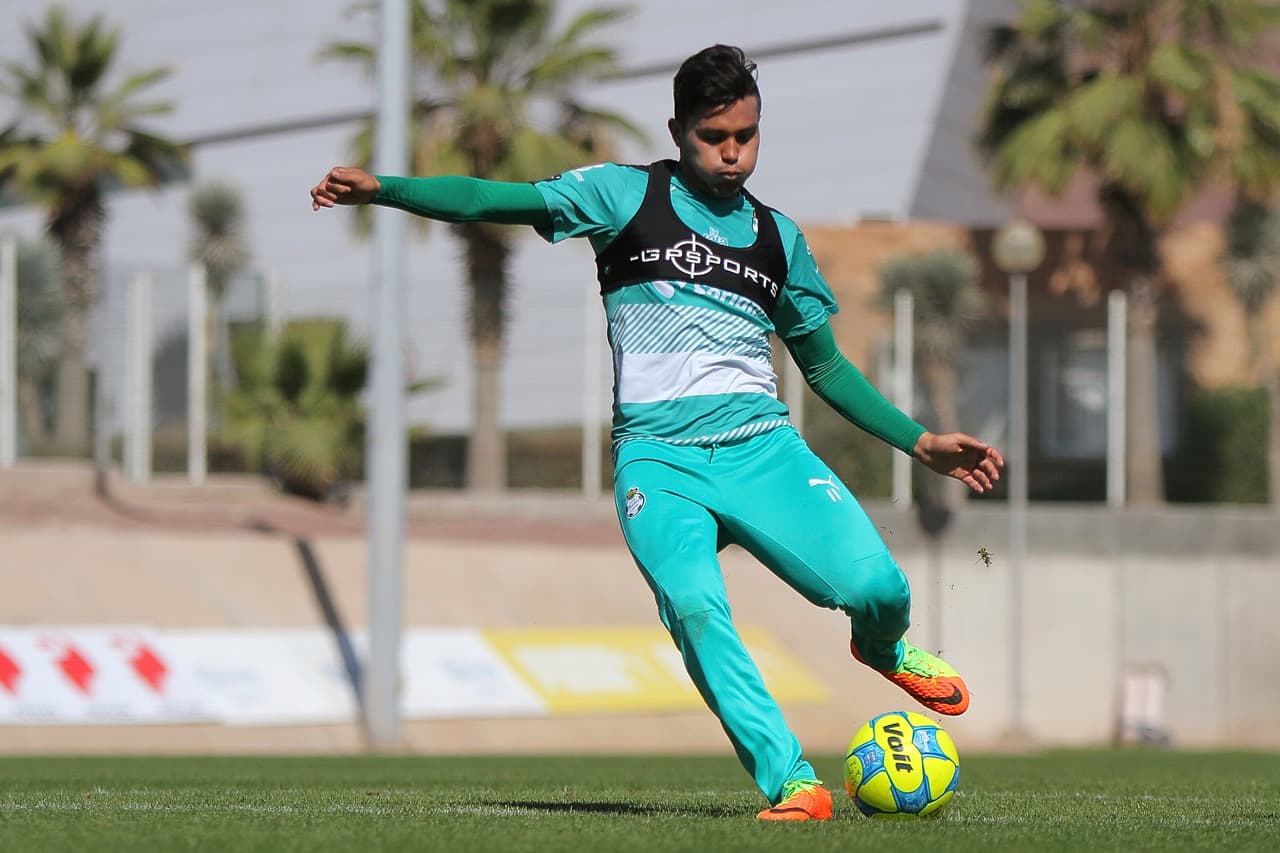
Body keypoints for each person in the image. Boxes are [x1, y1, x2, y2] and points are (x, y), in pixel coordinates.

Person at [311, 44, 1003, 822]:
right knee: (696, 604)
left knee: (879, 588)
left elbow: (828, 368)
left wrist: (919, 442)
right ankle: (793, 782)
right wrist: (388, 190)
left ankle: (881, 647)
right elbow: (489, 198)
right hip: (658, 461)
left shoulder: (779, 240)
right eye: (715, 136)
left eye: (747, 134)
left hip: (762, 450)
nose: (733, 152)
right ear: (677, 129)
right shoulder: (619, 197)